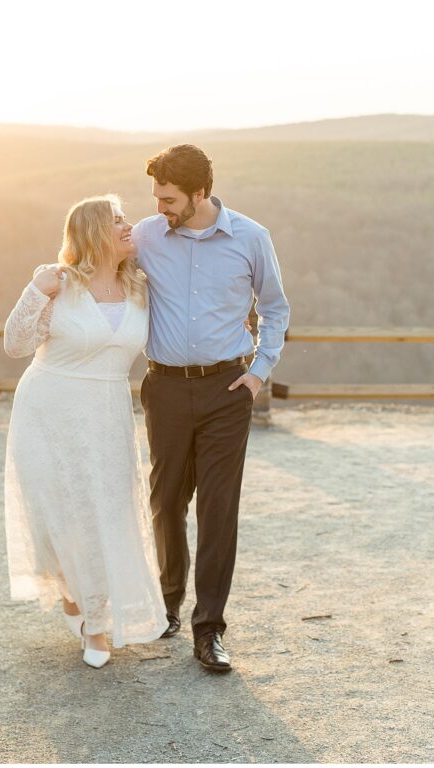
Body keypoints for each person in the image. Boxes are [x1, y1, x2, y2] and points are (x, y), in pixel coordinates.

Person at [132, 144, 290, 673]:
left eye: (170, 198)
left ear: (200, 193)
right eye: (156, 196)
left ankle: (210, 628)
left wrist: (258, 373)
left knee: (219, 509)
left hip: (228, 391)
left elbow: (274, 308)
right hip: (167, 388)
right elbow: (96, 262)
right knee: (166, 500)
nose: (160, 207)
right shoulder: (148, 235)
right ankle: (167, 605)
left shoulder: (251, 237)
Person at [3, 194, 167, 668]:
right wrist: (34, 290)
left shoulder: (141, 287)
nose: (128, 225)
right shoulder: (59, 284)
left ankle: (92, 613)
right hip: (46, 409)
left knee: (104, 513)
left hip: (106, 412)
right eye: (117, 220)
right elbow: (16, 345)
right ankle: (88, 616)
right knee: (55, 513)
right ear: (93, 230)